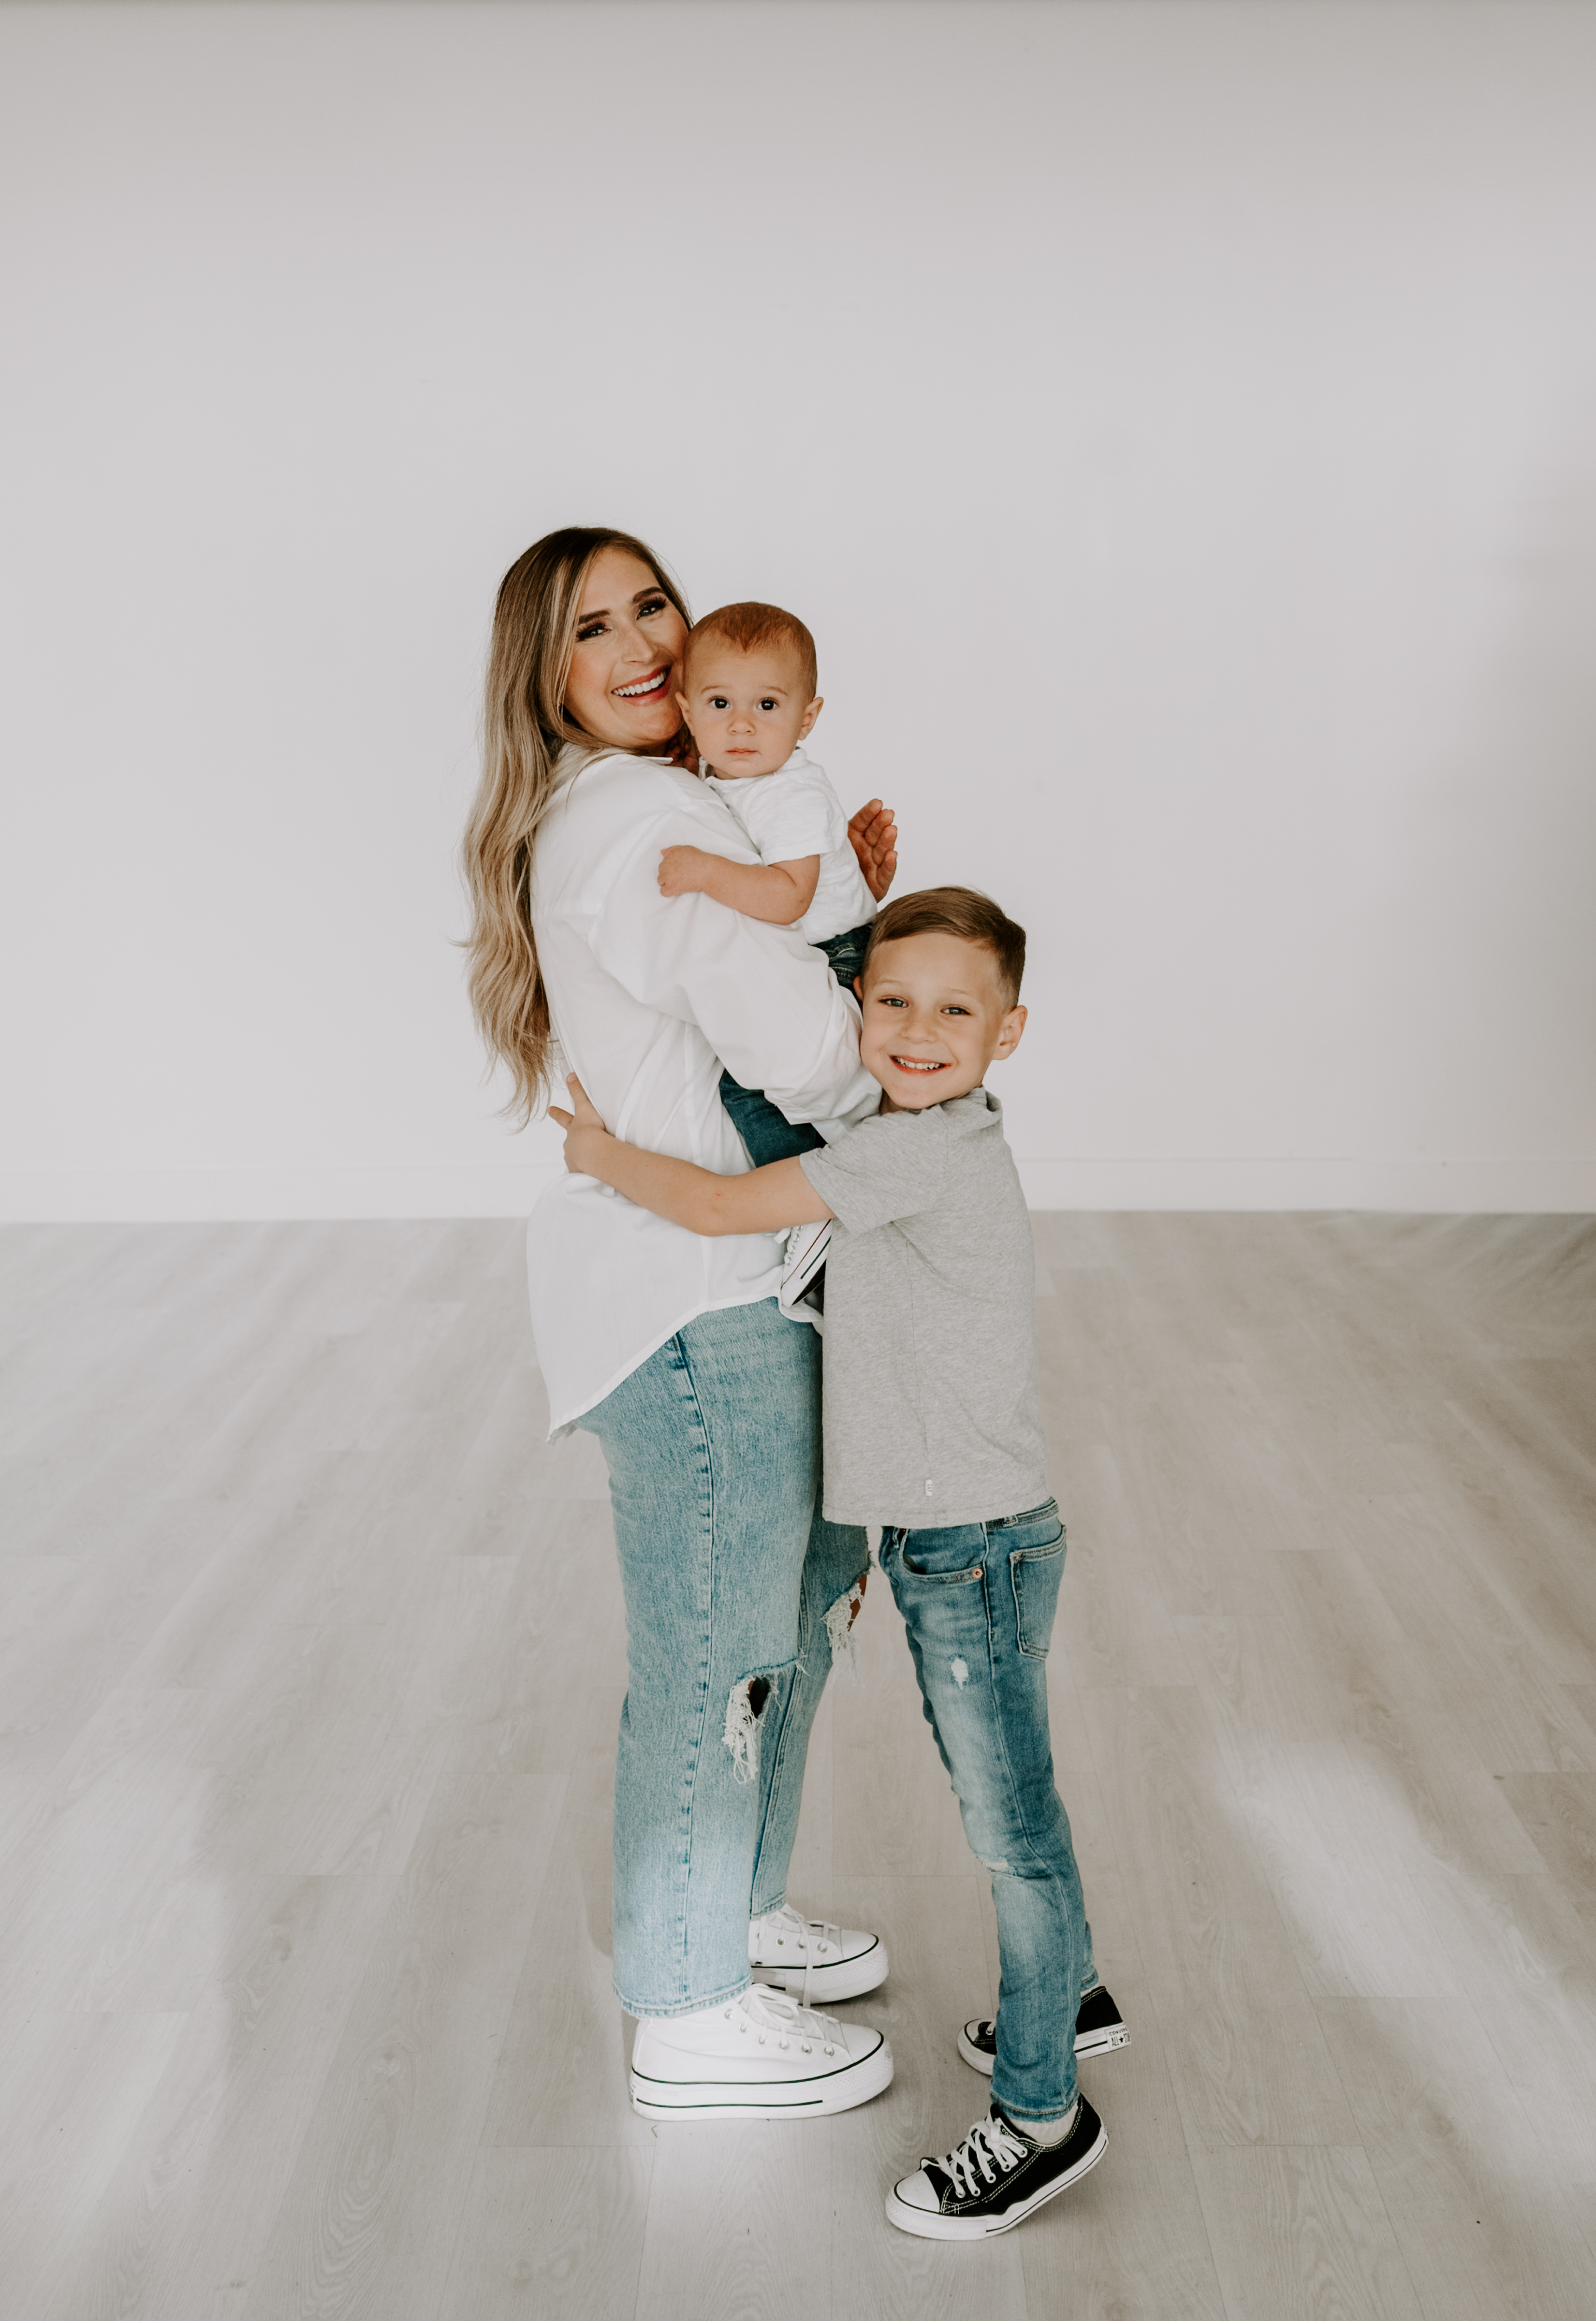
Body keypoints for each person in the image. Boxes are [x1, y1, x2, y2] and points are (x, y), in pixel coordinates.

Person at [550, 885, 1127, 2239]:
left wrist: (596, 1152)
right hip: (952, 1537)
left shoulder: (912, 1152)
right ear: (856, 1005)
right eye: (890, 1001)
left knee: (1011, 1830)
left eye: (954, 1010)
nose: (917, 1031)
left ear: (1007, 1032)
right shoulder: (913, 1129)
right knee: (1009, 1800)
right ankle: (1070, 1993)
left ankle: (1042, 2113)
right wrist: (840, 901)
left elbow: (715, 1204)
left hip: (971, 1552)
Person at [461, 527, 901, 2124]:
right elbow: (806, 1050)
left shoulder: (672, 800)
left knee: (790, 1614)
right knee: (718, 1645)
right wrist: (916, 1032)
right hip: (696, 1302)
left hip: (747, 1275)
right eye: (595, 628)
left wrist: (843, 903)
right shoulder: (640, 818)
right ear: (545, 677)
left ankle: (737, 1910)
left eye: (652, 604)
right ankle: (690, 2005)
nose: (644, 642)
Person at [658, 598, 876, 1170]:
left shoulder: (790, 794)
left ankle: (803, 1202)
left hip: (839, 954)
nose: (741, 724)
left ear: (807, 718)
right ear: (687, 711)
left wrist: (705, 871)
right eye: (720, 703)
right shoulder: (733, 774)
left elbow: (788, 897)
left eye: (768, 705)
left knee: (751, 1086)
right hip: (822, 943)